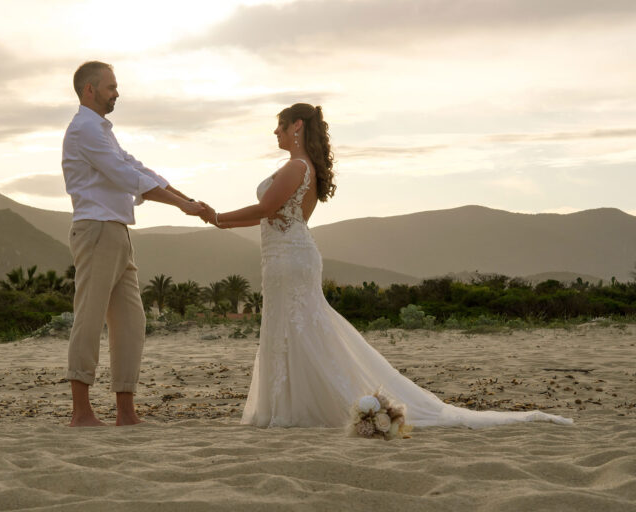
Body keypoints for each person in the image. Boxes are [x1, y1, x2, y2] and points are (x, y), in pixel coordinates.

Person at [199, 103, 572, 429]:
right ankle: (289, 404)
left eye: (280, 125)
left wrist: (216, 217)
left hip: (289, 258)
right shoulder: (304, 167)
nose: (275, 132)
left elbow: (266, 210)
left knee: (301, 326)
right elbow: (280, 214)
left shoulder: (297, 166)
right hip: (285, 254)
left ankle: (314, 404)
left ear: (297, 126)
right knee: (292, 327)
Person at [62, 61, 204, 427]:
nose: (117, 93)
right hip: (95, 230)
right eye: (111, 86)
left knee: (130, 321)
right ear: (89, 90)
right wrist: (181, 204)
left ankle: (126, 412)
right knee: (89, 318)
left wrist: (187, 200)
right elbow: (125, 176)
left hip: (117, 231)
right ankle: (82, 412)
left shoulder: (103, 131)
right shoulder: (84, 129)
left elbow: (137, 167)